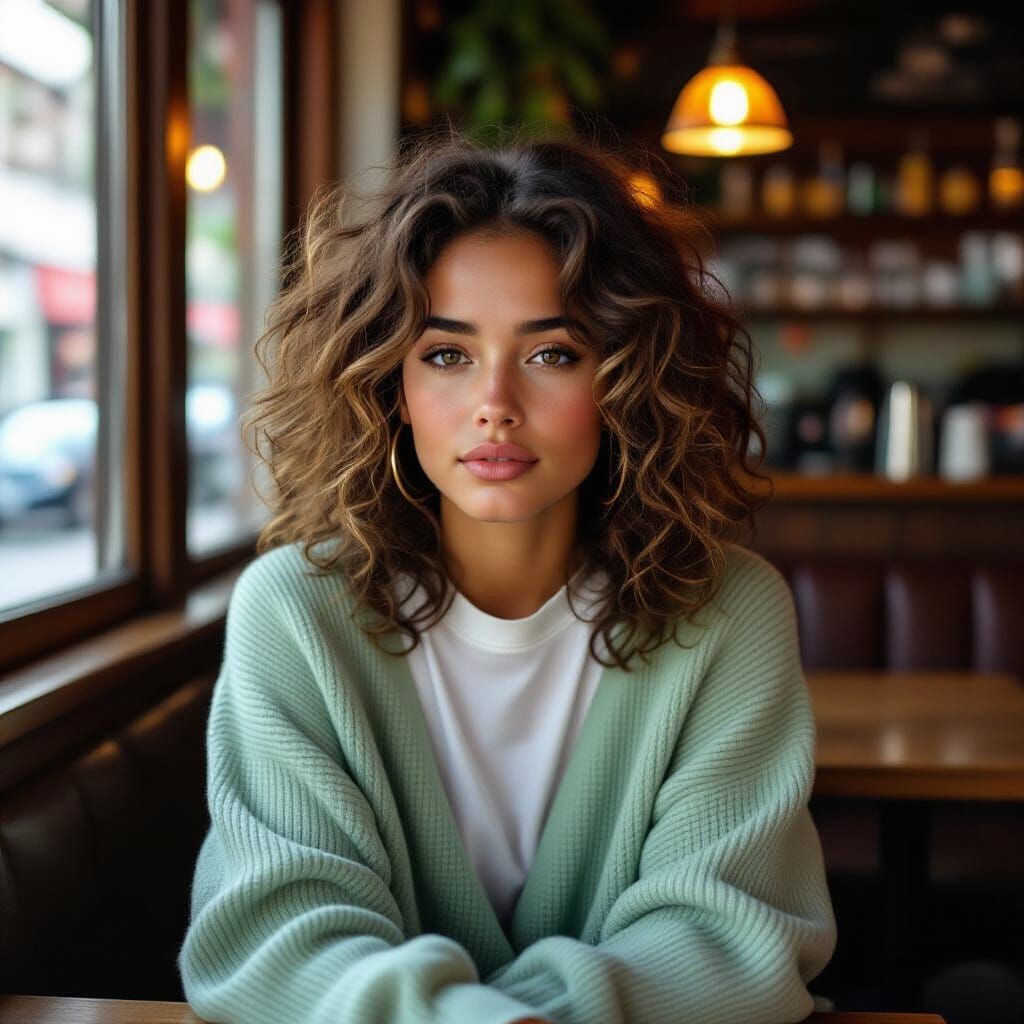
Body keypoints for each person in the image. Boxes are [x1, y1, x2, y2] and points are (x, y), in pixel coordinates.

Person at [177, 126, 838, 1024]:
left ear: (625, 380)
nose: (495, 405)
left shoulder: (728, 611)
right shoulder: (297, 612)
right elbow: (272, 939)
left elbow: (731, 941)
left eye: (552, 353)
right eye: (446, 354)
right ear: (391, 387)